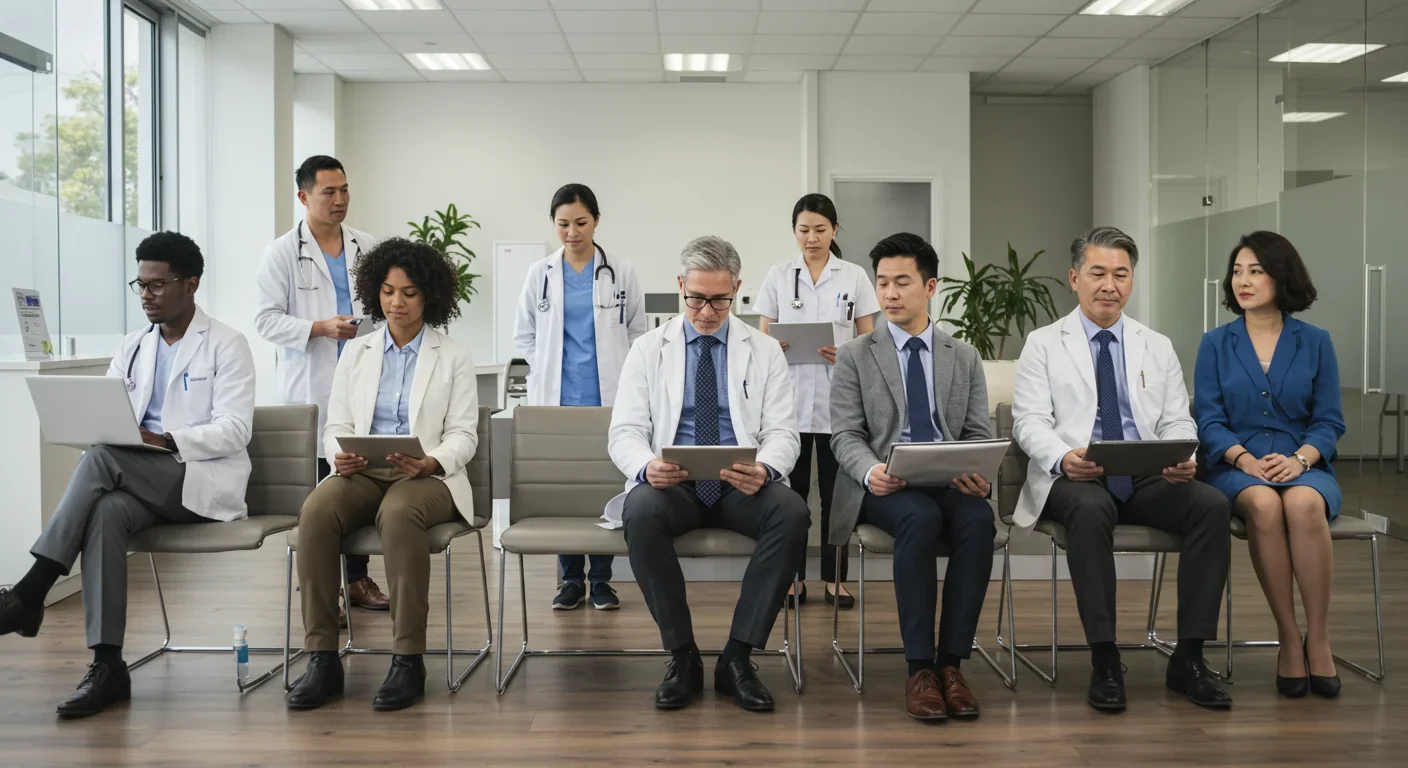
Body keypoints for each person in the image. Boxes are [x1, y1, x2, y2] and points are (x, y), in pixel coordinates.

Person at [0, 232, 255, 718]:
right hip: (135, 476)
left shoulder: (227, 343)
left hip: (193, 476)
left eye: (157, 285)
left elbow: (236, 429)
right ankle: (108, 665)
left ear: (191, 285)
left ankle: (30, 592)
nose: (146, 295)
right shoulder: (133, 345)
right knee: (107, 512)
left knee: (99, 460)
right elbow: (107, 416)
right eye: (139, 285)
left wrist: (166, 440)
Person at [1011, 225, 1233, 713]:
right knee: (1090, 513)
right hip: (1075, 474)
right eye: (1098, 273)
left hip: (1147, 474)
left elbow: (1177, 417)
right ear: (1074, 278)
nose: (1109, 285)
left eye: (1121, 274)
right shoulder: (1044, 343)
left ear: (1132, 281)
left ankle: (1190, 658)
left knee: (1211, 507)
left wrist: (1185, 458)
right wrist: (1062, 457)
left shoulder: (1157, 344)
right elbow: (1028, 420)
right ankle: (1105, 658)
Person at [605, 236, 809, 713]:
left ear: (738, 290)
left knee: (792, 511)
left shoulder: (763, 350)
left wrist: (765, 468)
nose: (707, 311)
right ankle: (683, 657)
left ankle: (737, 659)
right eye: (696, 298)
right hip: (674, 486)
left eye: (720, 299)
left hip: (741, 487)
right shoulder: (647, 350)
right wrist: (646, 466)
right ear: (680, 286)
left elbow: (784, 432)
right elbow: (625, 432)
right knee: (640, 509)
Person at [286, 239, 479, 712]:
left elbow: (463, 434)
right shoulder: (357, 351)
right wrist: (339, 455)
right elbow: (337, 425)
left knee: (398, 515)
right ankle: (322, 659)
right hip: (362, 471)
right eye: (389, 291)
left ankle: (408, 659)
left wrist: (431, 462)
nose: (397, 302)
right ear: (376, 293)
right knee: (315, 513)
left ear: (428, 295)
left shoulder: (452, 354)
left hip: (426, 477)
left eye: (410, 293)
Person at [828, 233, 995, 721]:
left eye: (902, 282)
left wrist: (978, 474)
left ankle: (952, 665)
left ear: (930, 287)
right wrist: (872, 471)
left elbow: (977, 433)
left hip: (947, 480)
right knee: (919, 518)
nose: (890, 293)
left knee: (977, 521)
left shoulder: (961, 355)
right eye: (883, 283)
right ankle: (920, 668)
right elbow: (845, 437)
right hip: (884, 486)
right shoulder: (856, 355)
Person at [1194, 231, 1344, 699]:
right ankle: (1288, 638)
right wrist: (1243, 458)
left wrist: (1301, 459)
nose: (1244, 280)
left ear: (1282, 276)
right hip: (1236, 465)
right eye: (1238, 271)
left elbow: (1329, 421)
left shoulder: (1315, 341)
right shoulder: (1215, 343)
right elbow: (1208, 418)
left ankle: (1317, 637)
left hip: (1303, 462)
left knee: (1301, 506)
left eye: (1256, 270)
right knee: (1263, 505)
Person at [255, 155, 388, 616]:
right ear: (304, 196)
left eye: (344, 190)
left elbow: (385, 305)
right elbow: (266, 321)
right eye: (328, 192)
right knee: (321, 487)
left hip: (362, 378)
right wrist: (319, 328)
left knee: (357, 478)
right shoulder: (281, 253)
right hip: (311, 382)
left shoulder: (366, 245)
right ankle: (321, 581)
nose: (339, 200)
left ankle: (358, 579)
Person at [514, 183, 645, 612]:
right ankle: (570, 580)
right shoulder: (540, 274)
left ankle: (603, 581)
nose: (572, 232)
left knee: (603, 489)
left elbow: (637, 332)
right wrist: (548, 367)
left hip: (607, 399)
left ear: (597, 221)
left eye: (581, 223)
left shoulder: (620, 271)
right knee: (565, 491)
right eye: (563, 224)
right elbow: (525, 336)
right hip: (557, 400)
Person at [757, 193, 878, 610]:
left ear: (835, 231)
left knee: (835, 495)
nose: (812, 238)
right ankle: (791, 578)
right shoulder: (777, 275)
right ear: (794, 232)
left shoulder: (855, 277)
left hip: (837, 401)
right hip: (788, 401)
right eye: (804, 230)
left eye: (820, 230)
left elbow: (869, 339)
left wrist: (845, 352)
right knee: (789, 496)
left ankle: (834, 578)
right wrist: (780, 345)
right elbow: (762, 339)